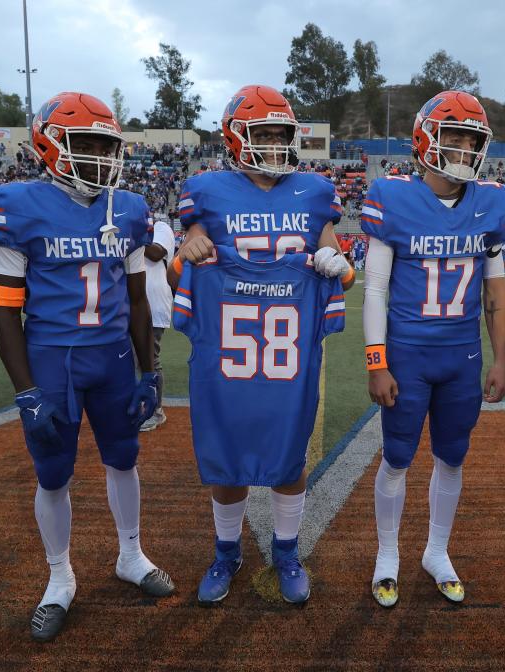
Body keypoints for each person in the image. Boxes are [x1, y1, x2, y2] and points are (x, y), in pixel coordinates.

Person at [0, 91, 174, 643]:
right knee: (53, 473)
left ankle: (131, 556)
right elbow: (3, 312)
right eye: (84, 144)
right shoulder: (18, 206)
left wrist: (149, 370)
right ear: (49, 143)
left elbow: (138, 301)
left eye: (104, 146)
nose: (97, 155)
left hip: (113, 357)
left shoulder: (129, 209)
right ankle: (59, 576)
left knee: (124, 459)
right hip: (52, 362)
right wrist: (26, 390)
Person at [167, 85, 354, 605]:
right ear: (235, 136)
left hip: (287, 351)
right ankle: (226, 552)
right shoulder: (206, 191)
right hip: (227, 350)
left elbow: (341, 272)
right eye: (263, 133)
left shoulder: (314, 191)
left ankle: (286, 551)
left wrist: (338, 266)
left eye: (281, 134)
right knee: (227, 461)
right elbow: (176, 277)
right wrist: (187, 251)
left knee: (288, 459)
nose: (274, 143)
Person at [362, 90, 505, 607]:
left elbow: (495, 289)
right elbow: (376, 289)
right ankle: (388, 555)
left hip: (460, 356)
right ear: (427, 138)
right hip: (408, 354)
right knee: (398, 458)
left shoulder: (490, 202)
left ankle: (436, 551)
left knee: (453, 457)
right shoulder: (392, 198)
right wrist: (376, 361)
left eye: (472, 140)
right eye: (454, 137)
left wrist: (501, 358)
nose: (465, 148)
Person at [139, 219, 176, 432]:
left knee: (150, 358)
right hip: (131, 302)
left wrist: (131, 236)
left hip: (153, 302)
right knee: (130, 359)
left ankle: (156, 411)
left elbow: (155, 253)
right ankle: (140, 405)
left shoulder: (161, 227)